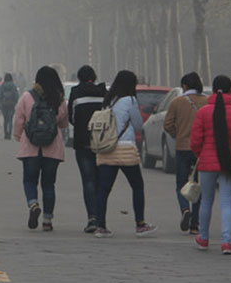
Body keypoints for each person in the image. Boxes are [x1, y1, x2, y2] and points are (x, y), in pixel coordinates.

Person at [94, 70, 157, 238]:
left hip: (107, 148)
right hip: (125, 148)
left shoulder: (108, 100)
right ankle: (140, 224)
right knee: (137, 186)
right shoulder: (130, 100)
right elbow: (137, 124)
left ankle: (100, 226)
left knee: (104, 188)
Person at [191, 75, 231, 254]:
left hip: (207, 163)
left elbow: (195, 141)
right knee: (226, 202)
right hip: (229, 163)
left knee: (206, 201)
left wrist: (201, 154)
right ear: (230, 90)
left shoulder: (203, 112)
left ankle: (203, 238)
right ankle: (226, 242)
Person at [12, 66, 69, 231]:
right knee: (49, 184)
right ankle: (47, 221)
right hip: (53, 148)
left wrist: (18, 137)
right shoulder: (59, 99)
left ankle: (33, 204)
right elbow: (63, 123)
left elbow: (19, 121)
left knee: (29, 180)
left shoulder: (26, 97)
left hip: (30, 146)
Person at [163, 72, 208, 235]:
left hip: (182, 148)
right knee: (198, 186)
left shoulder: (177, 102)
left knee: (181, 183)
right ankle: (195, 224)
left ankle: (184, 210)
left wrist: (178, 133)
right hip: (201, 150)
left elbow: (167, 124)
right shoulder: (208, 102)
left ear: (185, 86)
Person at [67, 65, 106, 233]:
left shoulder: (76, 93)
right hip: (102, 143)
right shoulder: (103, 92)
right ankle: (101, 219)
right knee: (101, 181)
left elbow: (72, 118)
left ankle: (92, 217)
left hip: (83, 143)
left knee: (88, 180)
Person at [0, 73, 19, 140]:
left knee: (5, 119)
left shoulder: (3, 85)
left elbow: (0, 95)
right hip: (11, 104)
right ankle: (9, 133)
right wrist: (15, 102)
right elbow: (16, 95)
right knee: (10, 120)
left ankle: (6, 134)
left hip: (4, 104)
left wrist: (1, 101)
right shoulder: (13, 85)